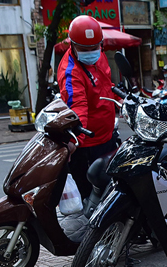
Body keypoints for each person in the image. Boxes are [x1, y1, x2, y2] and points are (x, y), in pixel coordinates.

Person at [57, 15, 118, 200]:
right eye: (85, 49)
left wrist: (120, 98)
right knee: (91, 196)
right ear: (73, 45)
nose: (91, 52)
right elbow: (77, 107)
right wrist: (73, 141)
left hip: (107, 136)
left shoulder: (99, 58)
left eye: (95, 47)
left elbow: (106, 85)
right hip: (87, 145)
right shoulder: (71, 72)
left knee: (115, 189)